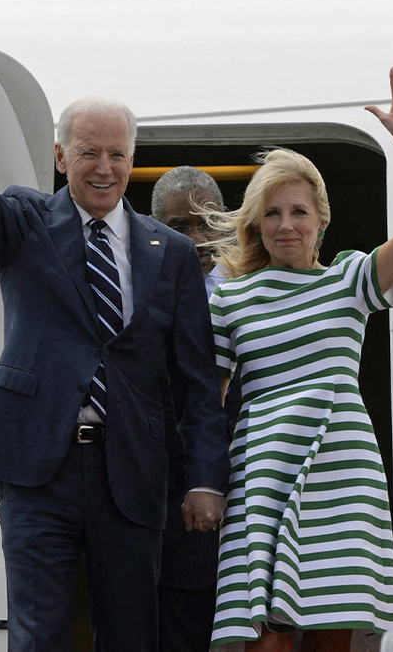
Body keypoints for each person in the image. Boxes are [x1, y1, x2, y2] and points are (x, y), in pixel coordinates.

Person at [0, 14, 230, 652]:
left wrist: (203, 479)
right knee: (38, 634)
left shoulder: (169, 253)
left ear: (132, 160)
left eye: (116, 154)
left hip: (134, 470)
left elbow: (196, 381)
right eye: (89, 152)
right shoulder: (25, 222)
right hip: (36, 464)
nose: (103, 167)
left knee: (132, 634)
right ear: (62, 155)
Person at [205, 64, 393, 652]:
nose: (286, 225)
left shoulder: (350, 280)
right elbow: (213, 400)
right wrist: (205, 481)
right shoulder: (230, 296)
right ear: (257, 222)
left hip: (342, 471)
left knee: (335, 627)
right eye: (274, 213)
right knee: (266, 636)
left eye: (299, 212)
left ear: (321, 220)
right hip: (262, 470)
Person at [150, 167, 240, 652]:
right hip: (172, 494)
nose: (197, 237)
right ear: (153, 226)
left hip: (249, 484)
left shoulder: (258, 285)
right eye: (179, 226)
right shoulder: (140, 289)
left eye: (207, 221)